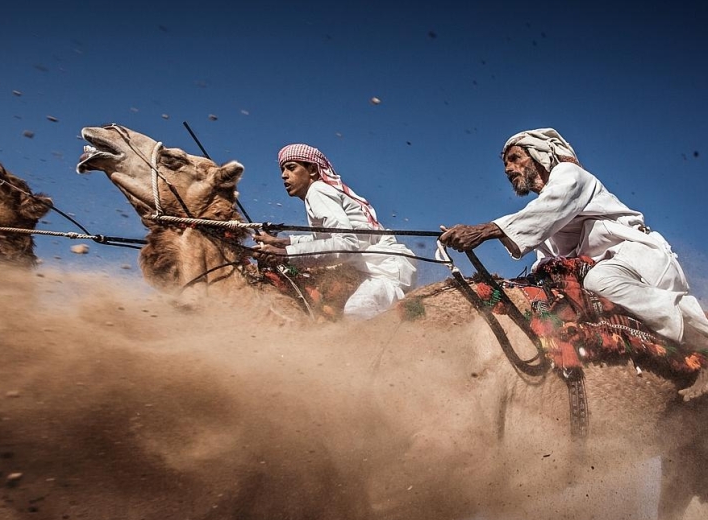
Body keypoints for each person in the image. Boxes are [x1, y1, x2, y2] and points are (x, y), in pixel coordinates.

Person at [439, 127, 708, 401]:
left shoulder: (570, 176)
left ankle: (699, 342)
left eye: (515, 158)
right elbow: (547, 259)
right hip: (601, 265)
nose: (508, 168)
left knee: (598, 281)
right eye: (506, 163)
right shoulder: (547, 217)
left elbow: (548, 210)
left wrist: (484, 231)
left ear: (540, 155)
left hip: (633, 256)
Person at [254, 143, 417, 319]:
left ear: (312, 170)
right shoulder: (320, 192)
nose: (284, 175)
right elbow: (333, 238)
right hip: (371, 268)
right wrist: (286, 242)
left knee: (357, 310)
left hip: (387, 270)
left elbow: (346, 243)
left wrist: (285, 254)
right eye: (282, 170)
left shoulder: (317, 190)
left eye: (291, 168)